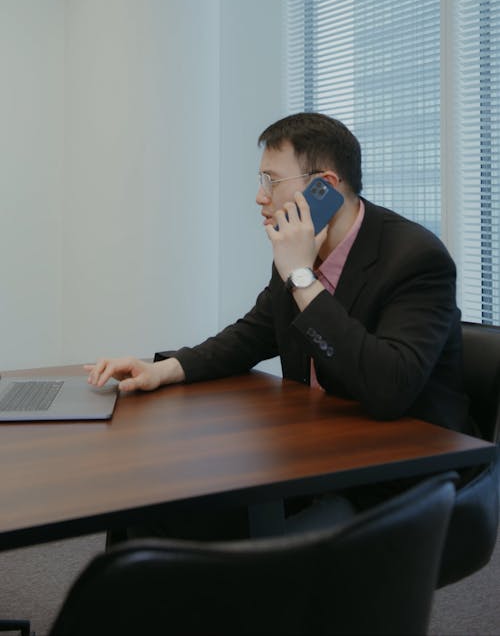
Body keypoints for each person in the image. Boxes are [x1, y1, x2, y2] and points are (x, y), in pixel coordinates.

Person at [86, 112, 469, 533]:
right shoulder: (299, 253)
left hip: (401, 479)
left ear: (325, 186)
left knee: (250, 551)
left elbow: (388, 389)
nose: (259, 196)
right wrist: (162, 370)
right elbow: (251, 335)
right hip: (315, 457)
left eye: (272, 181)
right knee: (146, 508)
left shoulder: (415, 258)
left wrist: (301, 278)